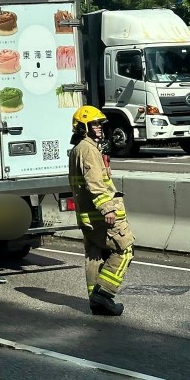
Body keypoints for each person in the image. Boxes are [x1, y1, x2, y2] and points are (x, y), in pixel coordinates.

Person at [68, 106, 135, 316]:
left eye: (100, 124)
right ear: (82, 127)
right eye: (94, 124)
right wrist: (107, 208)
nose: (99, 128)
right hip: (100, 215)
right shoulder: (88, 150)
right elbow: (95, 183)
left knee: (95, 254)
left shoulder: (81, 148)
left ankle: (96, 301)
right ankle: (104, 294)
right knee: (124, 250)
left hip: (88, 215)